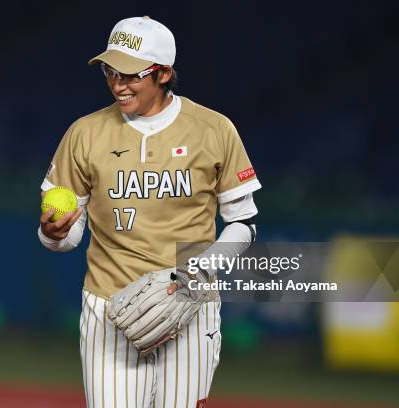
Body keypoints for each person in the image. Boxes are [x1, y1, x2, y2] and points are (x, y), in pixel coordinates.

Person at [38, 16, 261, 408]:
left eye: (130, 73)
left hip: (191, 302)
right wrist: (53, 234)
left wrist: (194, 274)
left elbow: (243, 225)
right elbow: (68, 235)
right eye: (110, 71)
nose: (117, 84)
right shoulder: (85, 134)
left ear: (163, 73)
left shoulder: (214, 130)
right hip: (109, 305)